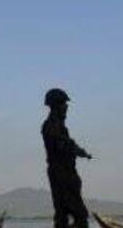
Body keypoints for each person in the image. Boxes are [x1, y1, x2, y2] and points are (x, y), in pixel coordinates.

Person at [41, 89, 93, 228]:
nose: (66, 107)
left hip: (65, 172)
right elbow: (63, 145)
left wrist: (79, 151)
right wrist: (77, 150)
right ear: (55, 106)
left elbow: (67, 143)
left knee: (63, 214)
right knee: (77, 214)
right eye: (63, 104)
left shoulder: (59, 126)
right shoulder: (51, 126)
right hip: (61, 173)